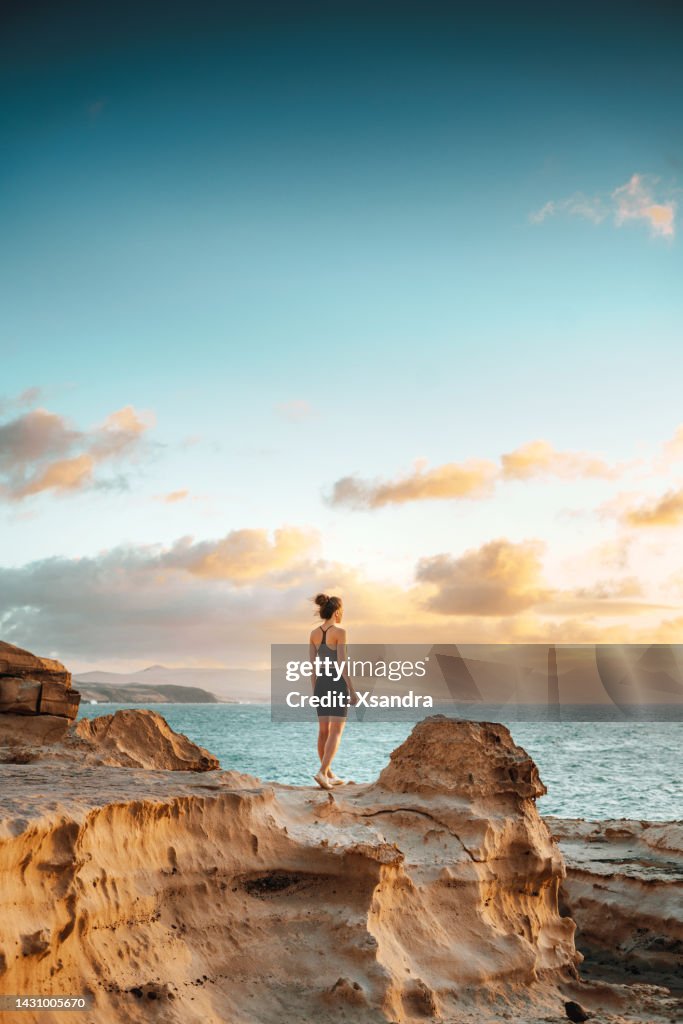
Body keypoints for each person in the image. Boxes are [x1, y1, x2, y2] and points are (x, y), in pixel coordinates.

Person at [309, 593, 358, 789]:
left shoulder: (314, 634)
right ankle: (322, 772)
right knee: (336, 731)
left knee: (323, 731)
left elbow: (312, 667)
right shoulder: (340, 632)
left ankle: (328, 774)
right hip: (337, 682)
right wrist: (352, 690)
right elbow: (341, 664)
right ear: (337, 612)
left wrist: (315, 690)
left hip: (321, 682)